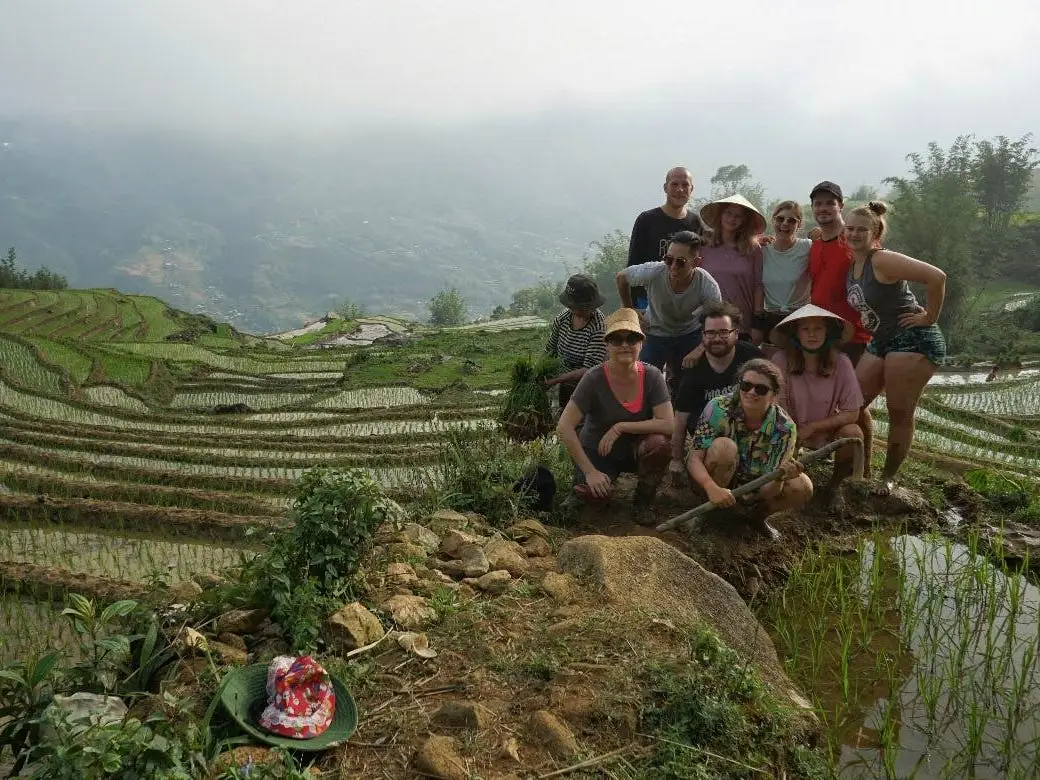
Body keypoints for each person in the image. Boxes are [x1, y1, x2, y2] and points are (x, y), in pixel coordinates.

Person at [845, 201, 947, 490]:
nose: (853, 234)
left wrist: (929, 316)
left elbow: (936, 277)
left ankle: (887, 478)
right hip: (881, 339)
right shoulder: (854, 262)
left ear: (875, 232)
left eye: (861, 230)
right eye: (849, 228)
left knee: (898, 411)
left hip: (912, 339)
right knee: (851, 403)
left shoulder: (881, 260)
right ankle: (858, 468)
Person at [557, 308, 673, 505]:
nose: (624, 345)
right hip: (597, 451)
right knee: (593, 500)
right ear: (607, 345)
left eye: (632, 339)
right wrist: (590, 472)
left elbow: (669, 424)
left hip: (634, 451)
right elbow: (564, 427)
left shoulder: (652, 376)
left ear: (641, 343)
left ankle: (644, 502)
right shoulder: (593, 378)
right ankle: (596, 481)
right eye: (617, 340)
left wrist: (620, 427)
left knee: (659, 446)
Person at [686, 358, 811, 539]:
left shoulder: (785, 429)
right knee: (724, 448)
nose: (751, 392)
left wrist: (780, 477)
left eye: (760, 389)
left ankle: (755, 519)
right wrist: (711, 487)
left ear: (774, 396)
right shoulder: (717, 408)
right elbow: (694, 458)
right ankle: (710, 512)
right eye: (746, 385)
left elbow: (769, 488)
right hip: (716, 481)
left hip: (756, 489)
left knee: (803, 486)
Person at [769, 304, 864, 493]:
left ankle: (834, 487)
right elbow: (777, 404)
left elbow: (852, 412)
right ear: (797, 334)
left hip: (825, 430)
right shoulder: (780, 360)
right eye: (806, 329)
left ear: (828, 332)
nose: (812, 334)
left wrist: (814, 427)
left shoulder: (841, 363)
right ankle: (780, 485)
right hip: (786, 427)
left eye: (818, 328)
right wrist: (794, 431)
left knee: (853, 432)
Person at [616, 231, 721, 398]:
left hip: (689, 334)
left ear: (696, 262)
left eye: (680, 262)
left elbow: (718, 322)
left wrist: (700, 350)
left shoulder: (706, 284)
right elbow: (622, 277)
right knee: (642, 381)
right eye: (668, 260)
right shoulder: (655, 271)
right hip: (656, 332)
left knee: (692, 383)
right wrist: (630, 310)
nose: (672, 267)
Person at [669, 301, 763, 484]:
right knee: (724, 449)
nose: (717, 338)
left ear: (735, 333)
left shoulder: (751, 357)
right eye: (710, 333)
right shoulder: (694, 369)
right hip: (709, 442)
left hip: (748, 433)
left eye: (723, 332)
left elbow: (772, 397)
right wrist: (676, 459)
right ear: (702, 336)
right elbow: (680, 419)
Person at [807, 182, 872, 365]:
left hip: (855, 337)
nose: (823, 208)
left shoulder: (855, 242)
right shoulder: (814, 245)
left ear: (841, 206)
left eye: (830, 203)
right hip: (822, 337)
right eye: (818, 204)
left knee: (856, 393)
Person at [627, 167, 707, 311]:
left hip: (683, 301)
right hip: (647, 300)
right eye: (674, 184)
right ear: (665, 187)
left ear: (691, 189)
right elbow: (633, 263)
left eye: (685, 185)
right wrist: (632, 307)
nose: (680, 189)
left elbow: (717, 242)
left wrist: (754, 239)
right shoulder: (647, 220)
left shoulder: (695, 222)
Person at [698, 194, 766, 343]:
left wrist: (758, 322)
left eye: (738, 216)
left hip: (743, 323)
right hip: (709, 324)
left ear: (744, 221)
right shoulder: (704, 248)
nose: (732, 219)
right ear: (720, 215)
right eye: (728, 213)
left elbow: (758, 286)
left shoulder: (753, 249)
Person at [543, 274, 608, 410]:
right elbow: (550, 350)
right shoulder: (562, 320)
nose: (587, 310)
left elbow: (588, 370)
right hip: (565, 382)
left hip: (588, 386)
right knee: (563, 416)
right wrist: (539, 372)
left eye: (589, 307)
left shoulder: (599, 326)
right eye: (582, 307)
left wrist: (556, 380)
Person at [758, 201, 812, 348]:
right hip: (771, 318)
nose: (785, 224)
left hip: (800, 319)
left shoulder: (807, 247)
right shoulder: (762, 251)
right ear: (773, 220)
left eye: (792, 220)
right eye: (780, 219)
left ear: (799, 225)